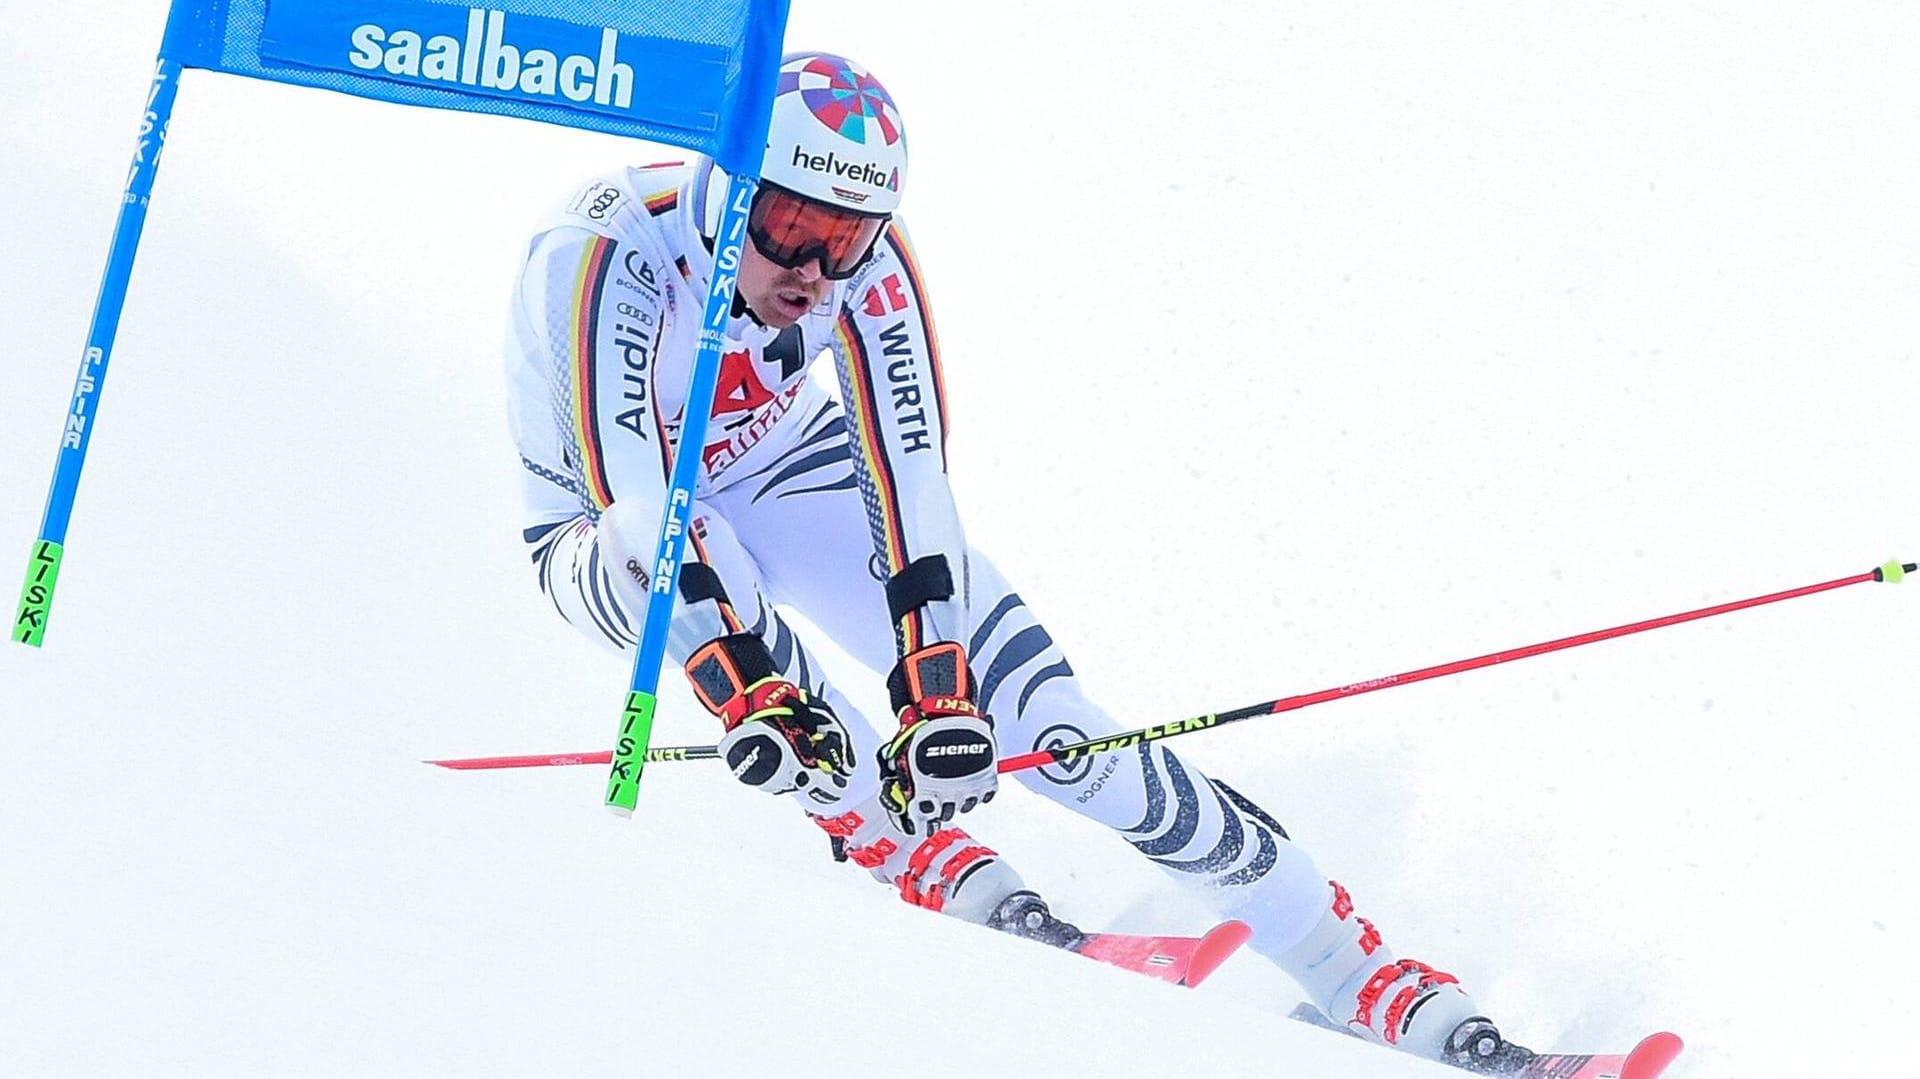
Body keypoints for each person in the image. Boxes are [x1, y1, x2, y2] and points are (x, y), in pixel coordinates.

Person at [504, 50, 1529, 1073]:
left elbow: (910, 483)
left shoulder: (872, 274)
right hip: (604, 530)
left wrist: (935, 677)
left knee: (1057, 728)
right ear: (733, 186)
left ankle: (1355, 967)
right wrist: (746, 686)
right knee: (735, 614)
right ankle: (908, 844)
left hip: (777, 455)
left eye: (845, 239)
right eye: (792, 229)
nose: (815, 270)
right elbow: (636, 504)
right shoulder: (604, 249)